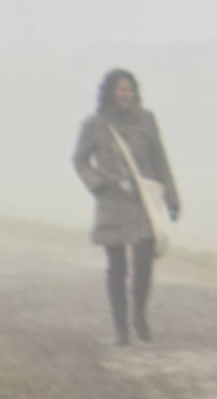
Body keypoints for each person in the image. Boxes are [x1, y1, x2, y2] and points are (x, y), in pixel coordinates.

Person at [71, 68, 180, 344]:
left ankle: (139, 315)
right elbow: (80, 160)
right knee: (117, 267)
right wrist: (96, 184)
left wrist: (172, 197)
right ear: (110, 92)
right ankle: (121, 328)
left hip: (143, 203)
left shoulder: (147, 119)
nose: (125, 94)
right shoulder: (94, 124)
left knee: (144, 262)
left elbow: (160, 160)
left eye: (129, 89)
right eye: (120, 90)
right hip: (111, 202)